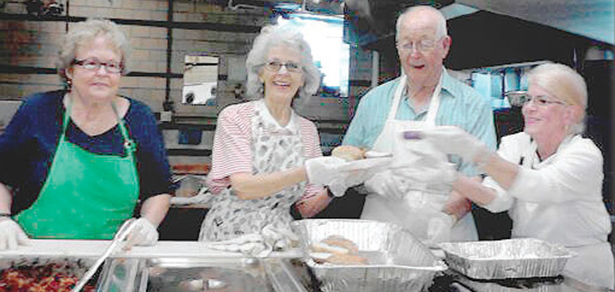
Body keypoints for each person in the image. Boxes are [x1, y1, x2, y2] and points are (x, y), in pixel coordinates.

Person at [414, 63, 614, 289]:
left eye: (542, 101)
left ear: (571, 113)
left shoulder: (584, 154)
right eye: (527, 99)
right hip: (531, 270)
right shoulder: (515, 144)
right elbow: (497, 199)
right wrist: (449, 175)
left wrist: (477, 153)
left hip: (581, 275)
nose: (529, 108)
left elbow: (539, 187)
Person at [0, 18, 173, 249]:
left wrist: (148, 223)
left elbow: (160, 189)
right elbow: (2, 177)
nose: (103, 72)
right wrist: (2, 219)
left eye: (112, 65)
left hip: (111, 256)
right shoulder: (37, 110)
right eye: (91, 63)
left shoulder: (140, 118)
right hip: (33, 250)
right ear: (69, 70)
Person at [342, 5, 497, 244]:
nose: (414, 54)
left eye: (425, 43)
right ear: (397, 47)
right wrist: (369, 179)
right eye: (406, 44)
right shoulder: (373, 101)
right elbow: (347, 162)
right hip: (378, 238)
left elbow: (475, 180)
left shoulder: (473, 105)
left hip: (445, 238)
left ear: (444, 45)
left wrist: (446, 218)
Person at [198, 24, 361, 244]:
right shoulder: (235, 117)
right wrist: (306, 171)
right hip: (228, 240)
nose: (283, 72)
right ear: (261, 73)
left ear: (304, 78)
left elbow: (306, 208)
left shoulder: (307, 130)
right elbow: (243, 187)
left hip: (279, 242)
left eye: (293, 66)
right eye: (274, 64)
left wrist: (337, 186)